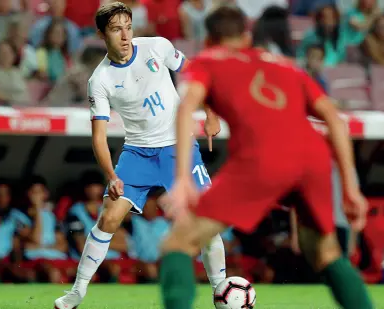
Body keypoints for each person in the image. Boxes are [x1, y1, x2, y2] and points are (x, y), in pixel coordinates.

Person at [159, 6, 373, 309]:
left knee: (178, 243)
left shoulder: (206, 62)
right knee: (325, 254)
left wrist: (182, 179)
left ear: (208, 39)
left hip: (263, 159)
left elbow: (186, 108)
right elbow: (335, 121)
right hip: (314, 158)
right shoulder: (285, 65)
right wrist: (351, 187)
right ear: (246, 36)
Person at [54, 2, 226, 308]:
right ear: (102, 34)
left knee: (207, 220)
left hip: (178, 147)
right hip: (138, 153)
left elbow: (197, 75)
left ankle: (221, 291)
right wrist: (111, 175)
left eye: (128, 27)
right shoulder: (101, 80)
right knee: (108, 218)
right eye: (116, 29)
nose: (125, 36)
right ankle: (77, 291)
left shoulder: (157, 47)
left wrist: (210, 114)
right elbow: (99, 137)